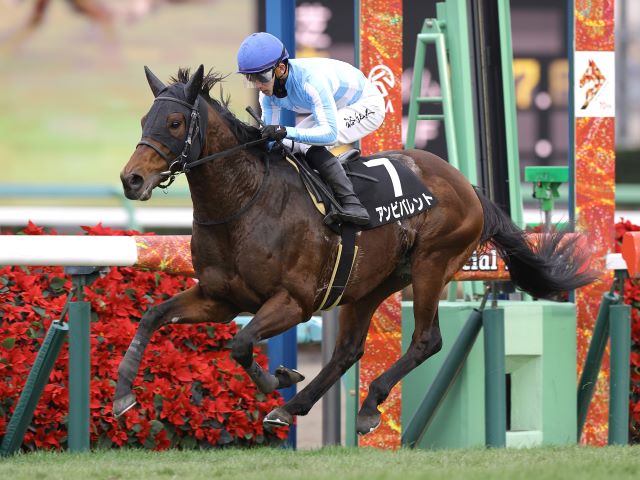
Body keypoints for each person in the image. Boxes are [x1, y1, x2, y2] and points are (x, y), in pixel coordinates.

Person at [236, 32, 386, 225]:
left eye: (261, 77)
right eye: (251, 78)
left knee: (306, 144)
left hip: (366, 105)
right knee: (288, 144)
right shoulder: (266, 94)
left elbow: (329, 134)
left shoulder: (310, 82)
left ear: (281, 69)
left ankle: (353, 205)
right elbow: (270, 142)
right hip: (337, 105)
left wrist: (285, 130)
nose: (258, 85)